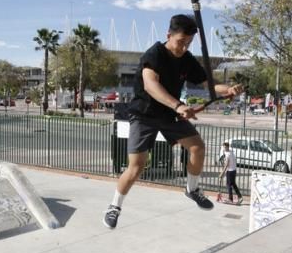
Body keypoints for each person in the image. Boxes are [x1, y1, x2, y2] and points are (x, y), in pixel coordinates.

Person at [103, 14, 243, 228]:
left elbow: (209, 84)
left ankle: (192, 189)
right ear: (169, 35)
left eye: (188, 43)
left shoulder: (186, 59)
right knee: (136, 167)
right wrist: (178, 106)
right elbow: (150, 85)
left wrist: (229, 89)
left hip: (169, 115)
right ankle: (114, 207)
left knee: (197, 147)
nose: (184, 48)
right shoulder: (155, 54)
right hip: (144, 115)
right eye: (180, 42)